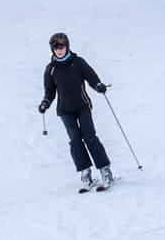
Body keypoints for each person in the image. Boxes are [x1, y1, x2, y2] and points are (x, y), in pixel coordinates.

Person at [37, 32, 114, 191]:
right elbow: (50, 92)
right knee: (75, 140)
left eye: (62, 46)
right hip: (65, 110)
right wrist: (45, 103)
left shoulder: (77, 62)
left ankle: (105, 171)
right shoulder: (51, 69)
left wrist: (98, 85)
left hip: (82, 106)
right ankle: (86, 174)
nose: (59, 50)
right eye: (56, 47)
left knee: (90, 137)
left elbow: (91, 76)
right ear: (52, 49)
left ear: (67, 46)